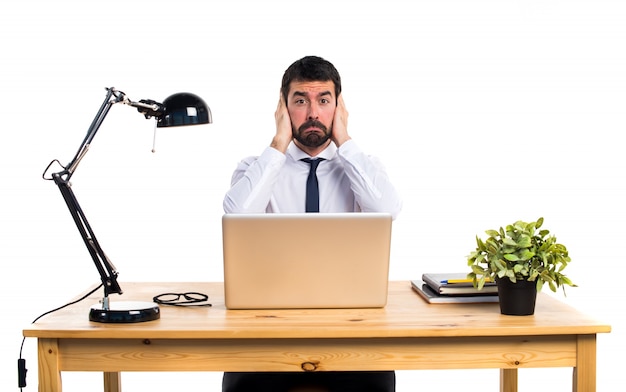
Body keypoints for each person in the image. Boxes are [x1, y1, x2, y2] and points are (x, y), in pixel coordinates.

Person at [222, 55, 402, 392]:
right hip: (269, 329)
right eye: (300, 101)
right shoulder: (256, 168)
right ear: (283, 108)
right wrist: (279, 143)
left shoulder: (363, 167)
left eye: (324, 100)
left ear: (339, 107)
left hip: (350, 328)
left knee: (377, 382)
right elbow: (236, 215)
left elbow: (387, 209)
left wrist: (345, 141)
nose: (313, 113)